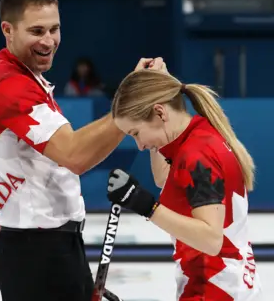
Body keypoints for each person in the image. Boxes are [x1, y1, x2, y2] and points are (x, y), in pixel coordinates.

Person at [0, 0, 166, 301]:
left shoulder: (25, 80)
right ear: (8, 30)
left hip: (52, 248)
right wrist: (131, 103)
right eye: (36, 31)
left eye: (54, 29)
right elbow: (74, 155)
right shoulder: (9, 87)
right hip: (38, 254)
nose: (48, 41)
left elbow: (75, 156)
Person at [105, 68, 263, 301]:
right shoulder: (200, 134)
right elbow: (164, 178)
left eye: (136, 133)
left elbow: (210, 239)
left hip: (213, 288)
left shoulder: (196, 156)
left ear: (160, 113)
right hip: (231, 283)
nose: (139, 145)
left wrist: (146, 205)